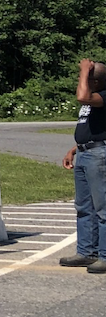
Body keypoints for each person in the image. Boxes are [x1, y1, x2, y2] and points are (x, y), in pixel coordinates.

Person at [61, 58, 106, 272]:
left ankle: (104, 255)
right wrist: (74, 149)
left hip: (99, 154)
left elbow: (82, 96)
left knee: (103, 208)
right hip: (85, 152)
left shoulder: (102, 96)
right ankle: (86, 252)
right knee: (84, 207)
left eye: (87, 79)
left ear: (95, 82)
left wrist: (84, 71)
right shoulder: (93, 100)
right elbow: (90, 128)